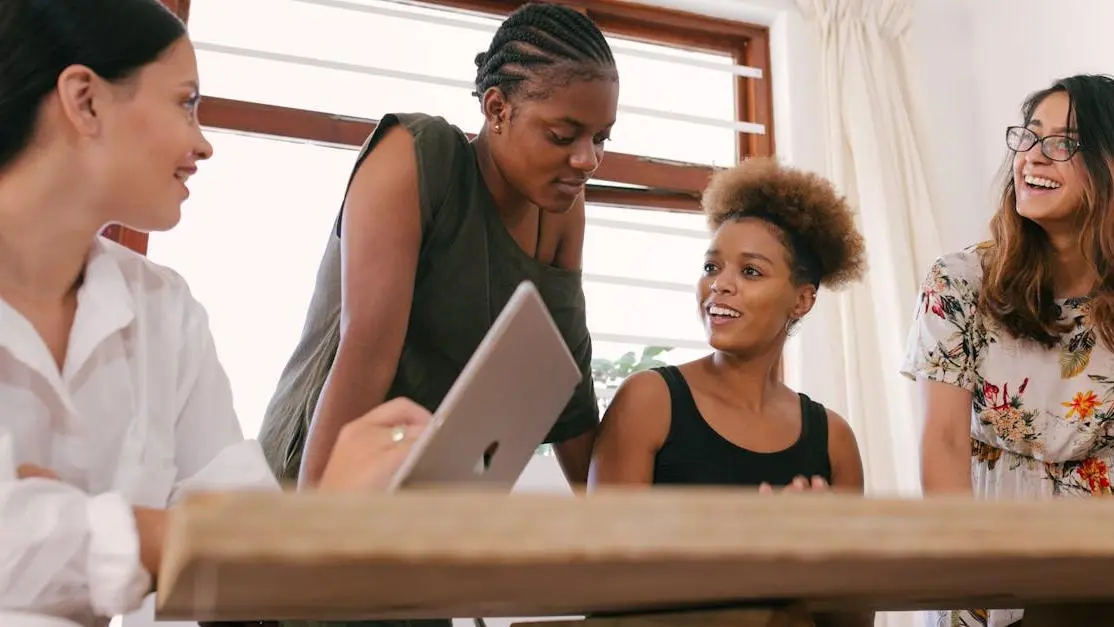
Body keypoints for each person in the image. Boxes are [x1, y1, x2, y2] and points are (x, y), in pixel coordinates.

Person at [0, 2, 432, 626]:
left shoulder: (164, 309)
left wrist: (312, 527)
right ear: (85, 100)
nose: (202, 143)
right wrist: (162, 539)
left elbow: (239, 550)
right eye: (185, 102)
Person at [258, 2, 618, 494]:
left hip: (434, 492)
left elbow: (570, 386)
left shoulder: (562, 208)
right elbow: (366, 352)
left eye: (602, 138)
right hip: (321, 474)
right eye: (563, 135)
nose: (587, 159)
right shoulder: (415, 154)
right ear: (497, 109)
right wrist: (316, 521)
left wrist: (625, 522)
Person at [588, 158, 871, 627]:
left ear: (801, 299)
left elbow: (853, 621)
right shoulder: (650, 402)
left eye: (752, 272)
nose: (720, 285)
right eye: (711, 266)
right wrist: (761, 555)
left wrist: (827, 557)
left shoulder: (833, 439)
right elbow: (604, 580)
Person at [903, 73, 1114, 627]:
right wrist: (972, 570)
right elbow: (943, 439)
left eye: (1064, 143)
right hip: (982, 555)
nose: (1034, 157)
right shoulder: (959, 282)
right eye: (1028, 136)